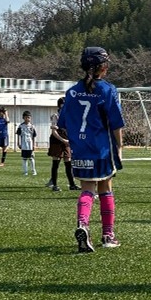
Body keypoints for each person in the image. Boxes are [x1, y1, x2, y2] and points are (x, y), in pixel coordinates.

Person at [60, 47, 125, 252]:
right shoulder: (107, 89)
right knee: (106, 188)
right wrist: (120, 146)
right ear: (103, 67)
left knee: (87, 189)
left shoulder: (71, 92)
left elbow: (63, 123)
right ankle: (108, 235)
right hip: (101, 147)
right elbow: (116, 123)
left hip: (80, 149)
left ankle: (83, 224)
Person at [46, 97, 79, 192]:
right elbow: (54, 132)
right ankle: (54, 185)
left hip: (66, 140)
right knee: (56, 162)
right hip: (57, 140)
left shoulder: (69, 116)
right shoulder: (56, 116)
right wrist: (63, 140)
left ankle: (72, 185)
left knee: (68, 162)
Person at [16, 110, 38, 177]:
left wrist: (34, 145)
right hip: (24, 144)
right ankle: (25, 172)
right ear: (23, 118)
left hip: (30, 144)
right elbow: (18, 135)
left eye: (29, 117)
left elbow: (34, 136)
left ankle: (34, 171)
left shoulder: (32, 126)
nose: (27, 119)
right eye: (26, 117)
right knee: (24, 159)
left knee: (31, 158)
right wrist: (18, 143)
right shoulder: (21, 126)